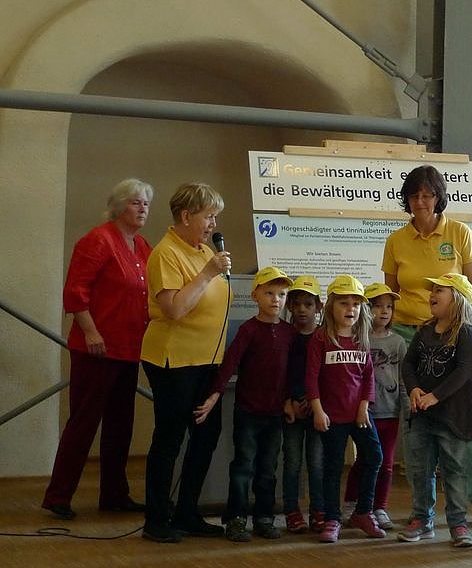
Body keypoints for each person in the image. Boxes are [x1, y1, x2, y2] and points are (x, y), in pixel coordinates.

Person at [381, 164, 472, 530]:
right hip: (408, 336)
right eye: (414, 195)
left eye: (427, 195)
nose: (420, 201)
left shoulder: (459, 232)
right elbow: (389, 294)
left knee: (461, 424)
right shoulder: (396, 240)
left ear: (438, 197)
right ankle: (423, 511)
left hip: (453, 334)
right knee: (416, 424)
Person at [42, 179, 154, 520]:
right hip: (98, 348)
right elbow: (76, 292)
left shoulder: (142, 246)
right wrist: (90, 332)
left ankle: (115, 494)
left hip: (130, 347)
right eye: (136, 202)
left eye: (146, 203)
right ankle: (58, 495)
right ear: (118, 206)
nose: (143, 209)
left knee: (121, 424)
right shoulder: (98, 240)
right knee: (84, 421)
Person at [140, 182, 231, 543]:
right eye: (209, 216)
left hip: (207, 360)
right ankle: (156, 520)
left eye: (215, 217)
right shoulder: (166, 253)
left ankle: (187, 512)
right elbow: (174, 309)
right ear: (186, 216)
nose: (213, 224)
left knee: (206, 436)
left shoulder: (202, 250)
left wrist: (209, 268)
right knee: (170, 438)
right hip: (173, 360)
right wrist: (207, 273)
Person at [194, 266, 295, 542]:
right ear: (255, 296)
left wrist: (289, 400)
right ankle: (236, 518)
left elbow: (292, 372)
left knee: (268, 468)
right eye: (269, 293)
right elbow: (229, 363)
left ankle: (264, 517)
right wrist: (214, 395)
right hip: (248, 412)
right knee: (243, 466)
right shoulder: (248, 330)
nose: (276, 299)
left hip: (275, 414)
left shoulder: (289, 332)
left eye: (282, 294)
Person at [397, 273, 472, 547]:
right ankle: (422, 518)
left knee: (454, 469)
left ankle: (458, 523)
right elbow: (408, 363)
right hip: (422, 413)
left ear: (457, 298)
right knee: (420, 468)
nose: (432, 294)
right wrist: (413, 389)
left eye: (439, 290)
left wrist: (436, 396)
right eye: (432, 290)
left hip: (452, 415)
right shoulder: (424, 330)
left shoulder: (467, 333)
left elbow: (463, 371)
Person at [306, 275, 384, 543]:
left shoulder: (362, 339)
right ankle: (332, 518)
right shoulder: (320, 338)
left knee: (374, 456)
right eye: (344, 303)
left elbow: (368, 377)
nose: (351, 309)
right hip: (332, 416)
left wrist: (364, 406)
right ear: (331, 307)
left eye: (356, 304)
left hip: (359, 414)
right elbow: (311, 378)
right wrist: (317, 410)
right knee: (333, 466)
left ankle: (363, 512)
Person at [344, 283, 407, 530]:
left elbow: (403, 378)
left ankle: (380, 507)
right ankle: (352, 504)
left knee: (387, 462)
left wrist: (405, 408)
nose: (384, 311)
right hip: (364, 412)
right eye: (377, 306)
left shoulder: (398, 342)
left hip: (390, 412)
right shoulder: (358, 339)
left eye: (388, 307)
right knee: (365, 459)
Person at [281, 275, 325, 534]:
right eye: (296, 304)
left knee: (317, 463)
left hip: (317, 409)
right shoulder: (286, 336)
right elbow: (281, 373)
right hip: (292, 411)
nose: (301, 310)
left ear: (318, 307)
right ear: (289, 306)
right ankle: (292, 511)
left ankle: (318, 510)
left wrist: (315, 402)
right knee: (292, 462)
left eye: (308, 304)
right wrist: (288, 401)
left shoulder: (324, 336)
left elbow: (328, 376)